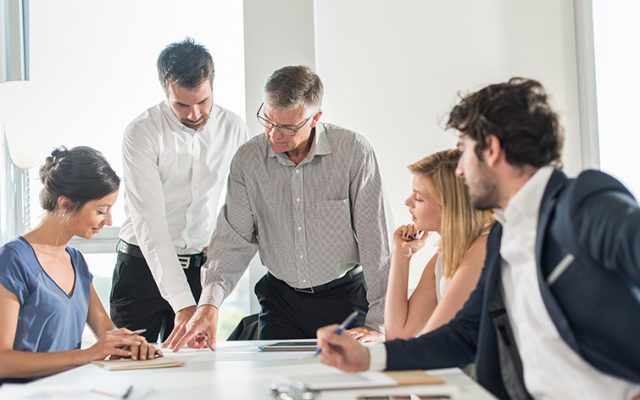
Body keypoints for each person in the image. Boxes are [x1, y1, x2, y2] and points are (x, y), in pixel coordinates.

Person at [316, 78, 640, 399]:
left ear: (492, 149)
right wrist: (368, 358)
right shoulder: (503, 233)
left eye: (463, 151)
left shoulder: (583, 202)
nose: (459, 171)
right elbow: (464, 334)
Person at [164, 65, 391, 350]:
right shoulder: (248, 160)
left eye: (287, 127)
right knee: (275, 385)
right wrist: (209, 305)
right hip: (281, 300)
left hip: (344, 298)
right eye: (268, 121)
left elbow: (376, 242)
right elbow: (232, 241)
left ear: (315, 119)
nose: (274, 134)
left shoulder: (353, 152)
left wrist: (379, 323)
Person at [110, 38, 252, 344]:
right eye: (182, 105)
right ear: (165, 91)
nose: (194, 113)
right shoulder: (141, 132)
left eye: (203, 101)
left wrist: (218, 244)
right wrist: (183, 304)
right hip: (141, 270)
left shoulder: (234, 128)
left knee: (197, 372)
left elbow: (242, 201)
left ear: (213, 86)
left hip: (198, 269)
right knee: (131, 370)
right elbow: (150, 222)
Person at [0, 147, 160, 384]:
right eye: (100, 211)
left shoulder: (76, 261)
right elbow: (3, 362)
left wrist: (131, 345)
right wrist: (88, 354)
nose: (109, 221)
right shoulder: (12, 260)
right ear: (65, 203)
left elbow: (108, 333)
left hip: (70, 391)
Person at [350, 150, 493, 344]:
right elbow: (398, 334)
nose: (407, 202)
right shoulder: (443, 258)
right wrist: (402, 255)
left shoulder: (481, 251)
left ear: (450, 206)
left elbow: (433, 342)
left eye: (418, 198)